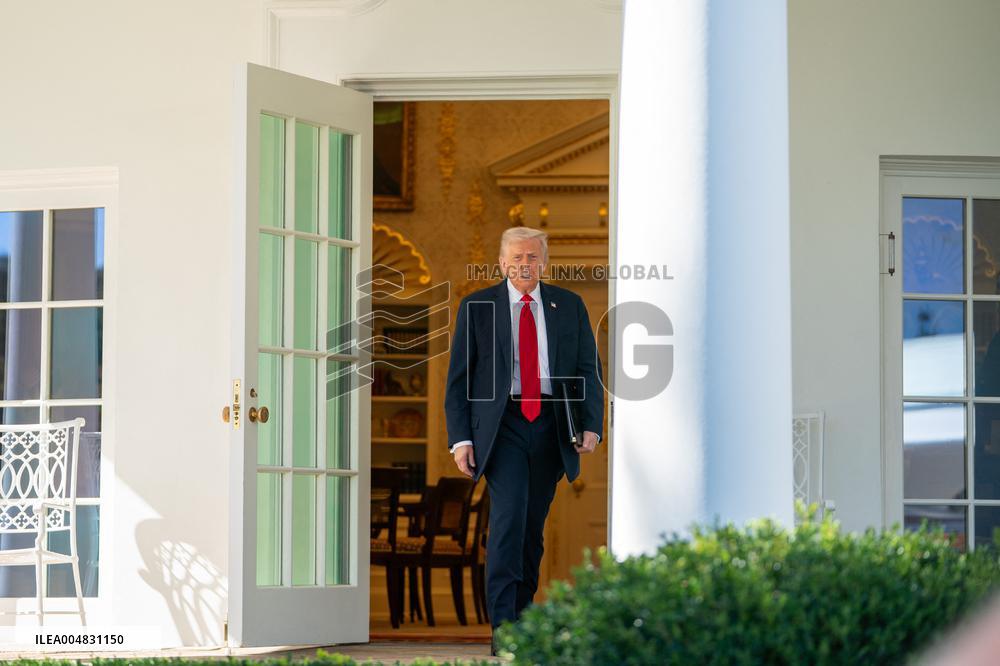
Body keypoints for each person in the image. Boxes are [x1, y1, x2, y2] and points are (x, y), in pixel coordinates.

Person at [444, 226, 604, 655]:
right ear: (501, 262)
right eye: (516, 257)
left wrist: (592, 425)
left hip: (551, 423)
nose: (524, 265)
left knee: (532, 530)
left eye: (532, 257)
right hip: (504, 425)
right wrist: (461, 439)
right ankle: (505, 629)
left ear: (543, 263)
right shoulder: (478, 307)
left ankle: (524, 620)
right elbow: (459, 377)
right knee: (509, 523)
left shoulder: (568, 306)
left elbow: (589, 368)